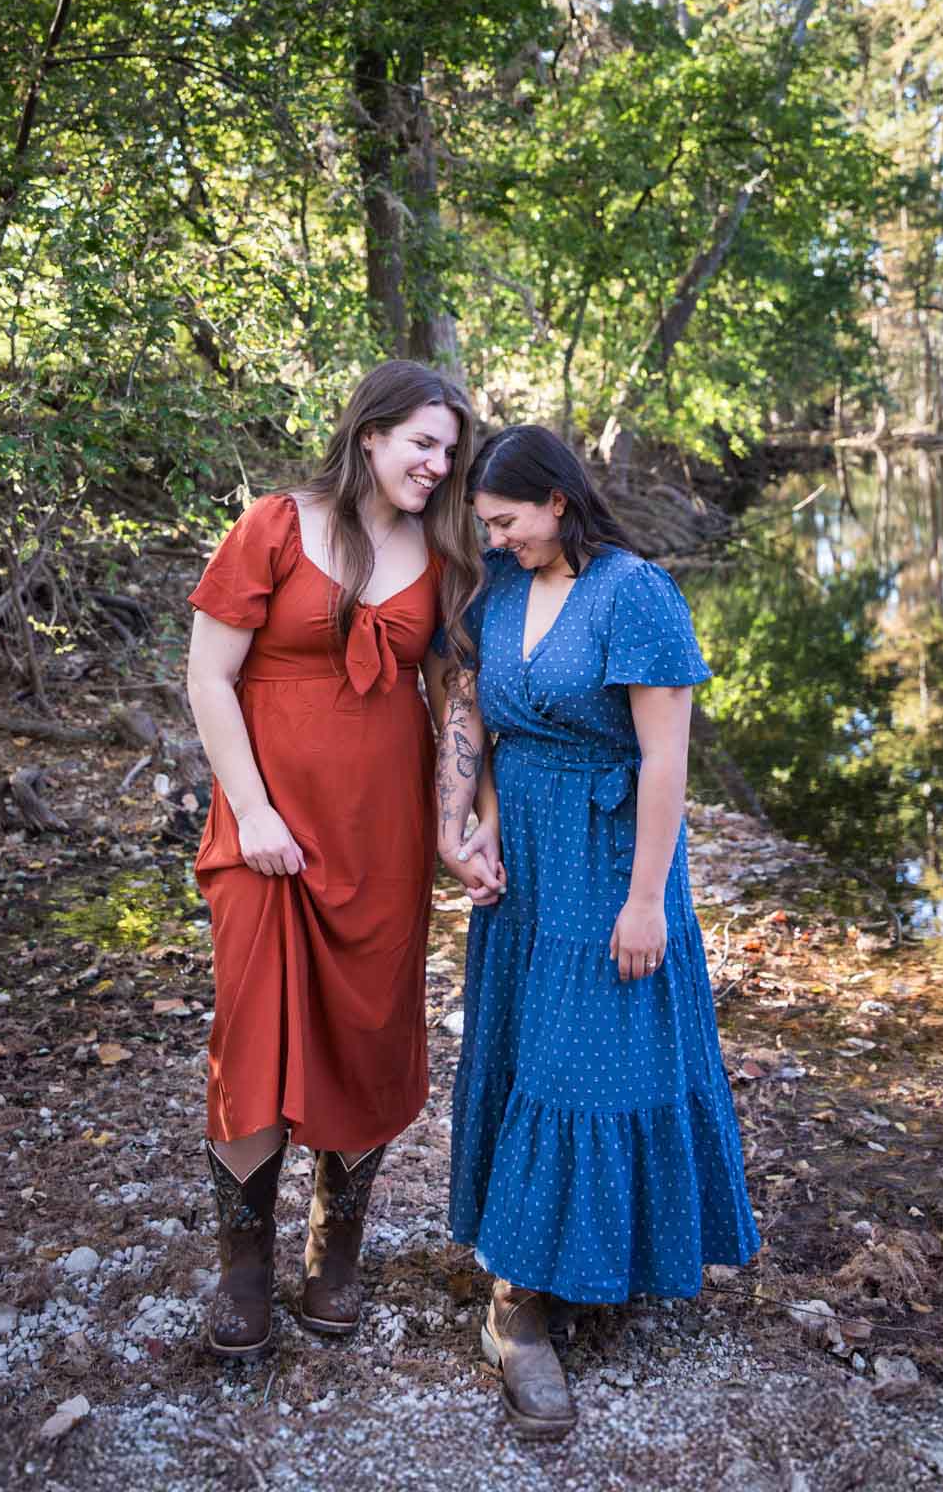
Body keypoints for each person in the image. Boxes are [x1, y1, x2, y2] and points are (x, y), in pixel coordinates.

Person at [435, 425, 759, 1439]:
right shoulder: (495, 584)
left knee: (588, 1069)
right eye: (486, 522)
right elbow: (486, 719)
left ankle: (540, 1291)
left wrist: (646, 898)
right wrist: (477, 819)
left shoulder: (635, 592)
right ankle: (520, 1292)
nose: (496, 536)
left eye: (507, 518)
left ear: (558, 500)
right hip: (524, 854)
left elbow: (666, 759)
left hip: (610, 856)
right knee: (528, 1056)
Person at [185, 360, 481, 1360]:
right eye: (423, 443)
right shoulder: (272, 523)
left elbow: (456, 702)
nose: (438, 465)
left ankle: (336, 1245)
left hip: (379, 836)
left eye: (451, 451)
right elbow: (209, 676)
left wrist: (459, 821)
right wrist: (255, 811)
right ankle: (243, 1264)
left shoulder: (442, 556)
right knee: (253, 1030)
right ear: (369, 433)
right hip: (265, 834)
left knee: (367, 1025)